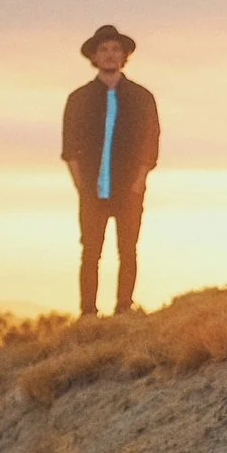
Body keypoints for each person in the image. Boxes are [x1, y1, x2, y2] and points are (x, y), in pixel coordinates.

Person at [61, 24, 160, 317]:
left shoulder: (142, 97)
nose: (109, 55)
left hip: (129, 188)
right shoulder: (78, 98)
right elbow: (70, 147)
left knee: (127, 251)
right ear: (94, 56)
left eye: (115, 49)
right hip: (93, 189)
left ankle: (123, 308)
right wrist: (81, 186)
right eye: (103, 49)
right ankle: (88, 312)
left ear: (124, 55)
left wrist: (140, 180)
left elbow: (151, 141)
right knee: (91, 252)